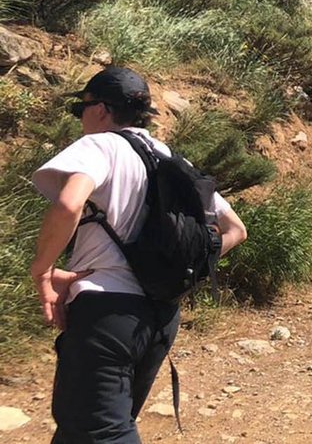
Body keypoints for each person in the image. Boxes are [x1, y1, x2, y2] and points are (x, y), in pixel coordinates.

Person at [29, 67, 248, 443]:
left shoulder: (100, 145)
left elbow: (68, 205)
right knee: (83, 428)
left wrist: (43, 270)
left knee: (100, 431)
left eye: (80, 109)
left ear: (100, 110)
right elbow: (236, 230)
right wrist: (181, 271)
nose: (80, 119)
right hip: (161, 317)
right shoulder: (171, 159)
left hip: (106, 316)